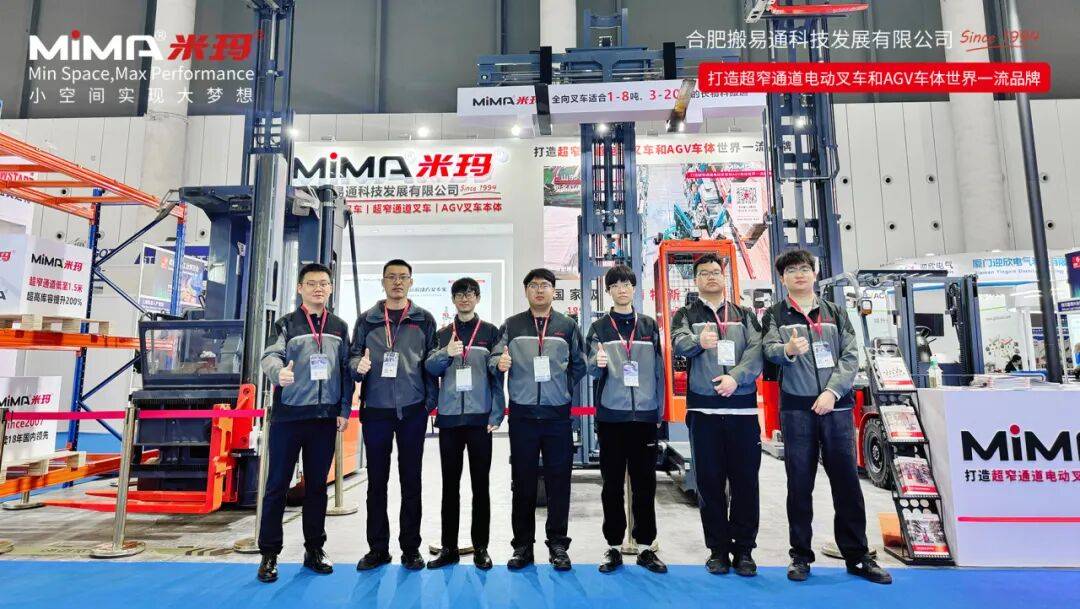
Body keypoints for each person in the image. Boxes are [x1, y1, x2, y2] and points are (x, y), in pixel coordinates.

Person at [761, 249, 892, 585]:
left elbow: (850, 355)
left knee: (846, 482)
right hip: (797, 410)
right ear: (783, 278)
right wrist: (788, 350)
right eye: (792, 270)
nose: (799, 274)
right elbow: (769, 350)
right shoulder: (775, 315)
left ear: (814, 273)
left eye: (805, 268)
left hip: (836, 408)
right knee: (799, 484)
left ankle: (857, 555)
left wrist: (832, 392)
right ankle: (800, 556)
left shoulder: (836, 312)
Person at [257, 263, 353, 583]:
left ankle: (314, 549)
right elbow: (270, 356)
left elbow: (345, 370)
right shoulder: (286, 324)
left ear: (331, 288)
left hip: (324, 419)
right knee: (277, 485)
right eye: (311, 283)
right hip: (289, 417)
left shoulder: (339, 327)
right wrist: (278, 373)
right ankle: (269, 554)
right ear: (300, 288)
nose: (318, 288)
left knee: (317, 488)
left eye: (323, 283)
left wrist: (343, 408)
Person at [671, 253, 763, 577]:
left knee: (745, 482)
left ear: (724, 277)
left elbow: (757, 350)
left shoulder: (745, 314)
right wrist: (699, 340)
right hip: (704, 411)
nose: (711, 277)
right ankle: (718, 551)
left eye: (715, 271)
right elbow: (678, 344)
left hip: (741, 409)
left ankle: (745, 550)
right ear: (696, 280)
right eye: (704, 273)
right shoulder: (685, 314)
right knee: (709, 484)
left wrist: (736, 378)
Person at [490, 268, 587, 571]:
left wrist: (561, 388)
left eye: (545, 285)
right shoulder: (512, 325)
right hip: (523, 416)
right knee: (523, 483)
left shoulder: (567, 325)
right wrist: (499, 361)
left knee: (559, 482)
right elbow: (494, 356)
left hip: (557, 416)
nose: (539, 290)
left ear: (553, 290)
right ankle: (522, 547)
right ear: (526, 291)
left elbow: (580, 364)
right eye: (533, 285)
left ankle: (558, 544)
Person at [349, 259, 438, 571]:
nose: (397, 282)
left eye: (403, 277)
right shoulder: (367, 320)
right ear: (383, 282)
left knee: (411, 481)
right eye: (391, 277)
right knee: (377, 482)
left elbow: (431, 364)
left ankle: (410, 548)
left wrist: (428, 404)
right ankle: (378, 549)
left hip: (412, 411)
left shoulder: (424, 320)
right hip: (376, 412)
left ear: (411, 282)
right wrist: (357, 367)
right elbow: (353, 357)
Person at [586, 265, 667, 574]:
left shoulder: (648, 326)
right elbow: (590, 367)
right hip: (611, 418)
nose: (621, 289)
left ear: (634, 288)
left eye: (626, 284)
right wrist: (596, 361)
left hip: (644, 417)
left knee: (646, 484)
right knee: (611, 486)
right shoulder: (599, 328)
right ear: (608, 291)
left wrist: (658, 412)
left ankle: (646, 547)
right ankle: (613, 547)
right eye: (615, 285)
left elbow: (659, 371)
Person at [424, 277, 504, 570]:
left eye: (470, 293)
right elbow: (429, 367)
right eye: (459, 294)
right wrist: (446, 353)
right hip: (449, 421)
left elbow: (497, 376)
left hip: (480, 420)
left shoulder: (491, 332)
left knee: (480, 486)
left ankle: (481, 547)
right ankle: (449, 548)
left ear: (478, 298)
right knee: (450, 486)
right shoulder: (444, 334)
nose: (465, 298)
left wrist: (496, 414)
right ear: (453, 299)